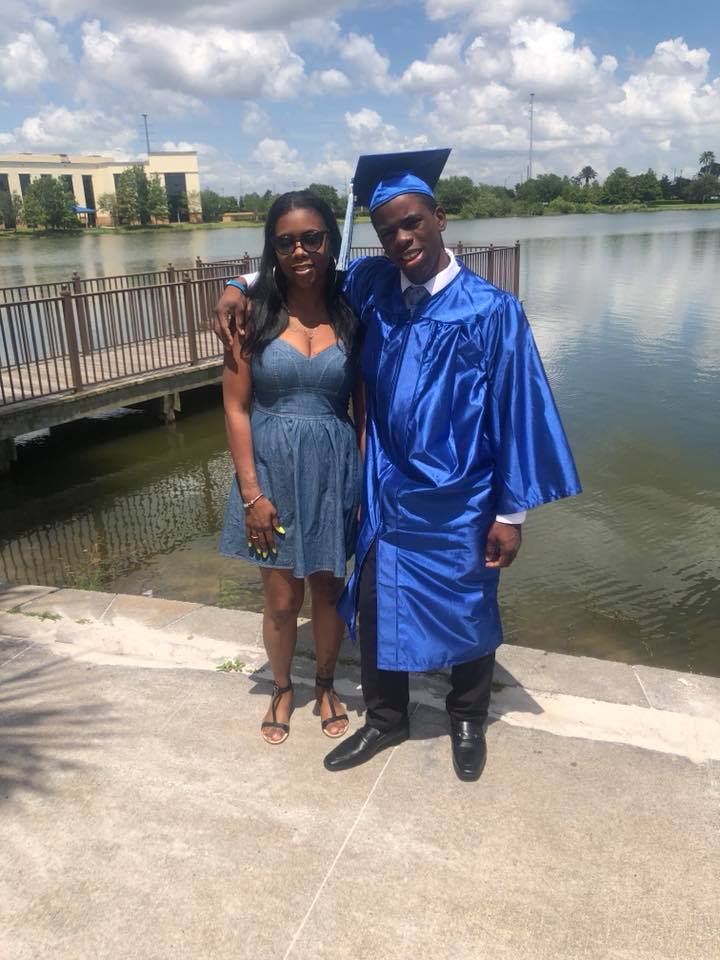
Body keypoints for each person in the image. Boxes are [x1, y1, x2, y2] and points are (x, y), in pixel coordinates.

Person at [214, 150, 581, 780]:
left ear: (439, 218)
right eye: (387, 231)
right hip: (384, 487)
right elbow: (304, 273)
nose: (401, 239)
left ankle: (467, 719)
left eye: (411, 223)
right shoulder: (375, 286)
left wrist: (510, 511)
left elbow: (520, 413)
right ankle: (386, 719)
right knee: (377, 603)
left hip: (464, 494)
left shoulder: (492, 312)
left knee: (469, 602)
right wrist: (240, 283)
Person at [218, 190, 362, 745]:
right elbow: (234, 407)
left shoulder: (354, 311)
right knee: (281, 598)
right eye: (285, 241)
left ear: (331, 241)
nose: (300, 250)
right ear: (271, 249)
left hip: (333, 469)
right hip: (271, 468)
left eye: (312, 238)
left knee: (327, 588)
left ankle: (325, 682)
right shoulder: (251, 315)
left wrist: (363, 484)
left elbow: (364, 412)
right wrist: (252, 493)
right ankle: (282, 686)